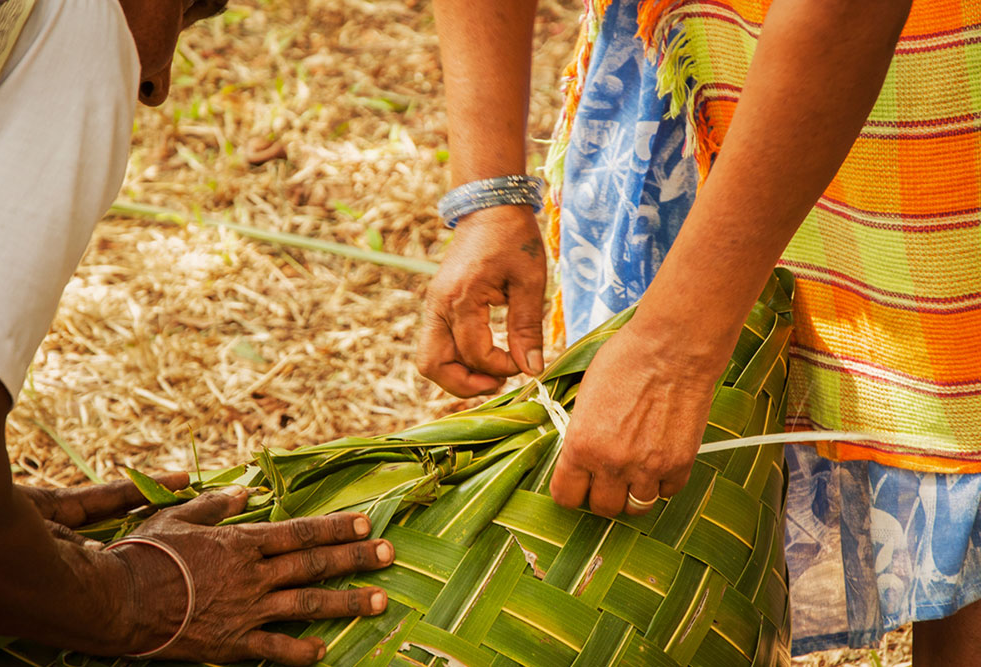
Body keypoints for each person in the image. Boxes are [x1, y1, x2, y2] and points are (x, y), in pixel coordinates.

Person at [419, 0, 981, 663]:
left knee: (962, 442)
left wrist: (672, 351)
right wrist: (487, 197)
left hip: (924, 82)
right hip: (682, 72)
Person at [0, 1, 393, 663]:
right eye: (189, 7)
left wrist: (4, 516)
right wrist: (127, 598)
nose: (157, 84)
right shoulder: (74, 25)